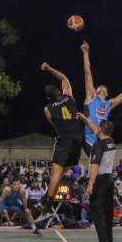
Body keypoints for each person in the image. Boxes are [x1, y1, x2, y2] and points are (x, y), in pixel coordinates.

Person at [80, 41, 122, 156]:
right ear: (96, 90)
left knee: (103, 170)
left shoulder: (109, 104)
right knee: (96, 166)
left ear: (107, 93)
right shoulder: (91, 96)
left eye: (104, 87)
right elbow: (87, 73)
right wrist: (86, 52)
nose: (101, 87)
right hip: (90, 139)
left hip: (103, 140)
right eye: (99, 86)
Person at [41, 62, 83, 204]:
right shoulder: (68, 96)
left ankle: (47, 202)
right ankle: (49, 194)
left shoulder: (47, 109)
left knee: (56, 172)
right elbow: (64, 79)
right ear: (59, 92)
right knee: (67, 168)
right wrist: (49, 68)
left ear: (48, 98)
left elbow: (53, 124)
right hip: (77, 138)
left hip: (64, 139)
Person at [79, 114, 117, 242]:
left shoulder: (98, 145)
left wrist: (90, 186)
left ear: (101, 129)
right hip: (110, 181)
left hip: (100, 181)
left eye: (98, 127)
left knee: (96, 216)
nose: (96, 128)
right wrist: (85, 120)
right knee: (107, 217)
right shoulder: (111, 142)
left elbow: (95, 166)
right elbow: (96, 130)